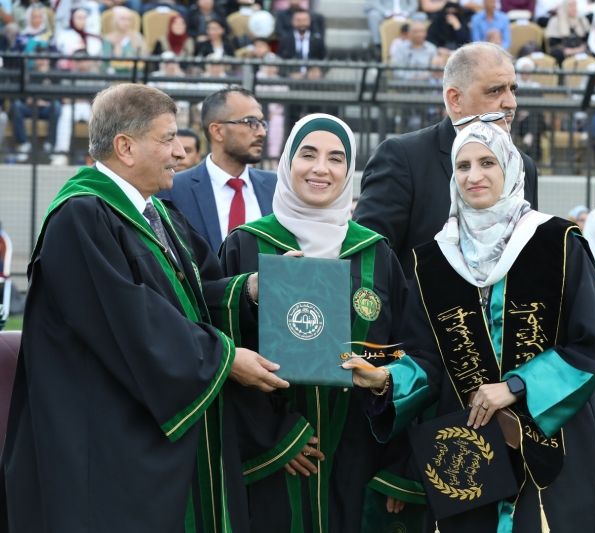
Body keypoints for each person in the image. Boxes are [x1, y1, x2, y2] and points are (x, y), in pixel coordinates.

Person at [0, 83, 290, 531]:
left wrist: (251, 289)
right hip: (108, 439)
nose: (181, 152)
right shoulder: (81, 217)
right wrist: (226, 358)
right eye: (168, 138)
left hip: (147, 425)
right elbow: (133, 322)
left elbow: (192, 300)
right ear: (125, 147)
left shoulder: (159, 215)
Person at [346, 121, 595, 532]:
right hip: (470, 456)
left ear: (510, 168)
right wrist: (387, 379)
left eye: (487, 162)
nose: (474, 176)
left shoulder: (557, 243)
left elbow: (592, 345)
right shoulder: (434, 261)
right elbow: (427, 357)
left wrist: (517, 386)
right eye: (463, 165)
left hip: (553, 445)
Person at [218, 113, 417, 533]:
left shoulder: (376, 253)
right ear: (287, 162)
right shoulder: (247, 244)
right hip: (272, 461)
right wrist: (275, 438)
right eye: (307, 154)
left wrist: (386, 380)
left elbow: (408, 348)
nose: (321, 168)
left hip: (359, 454)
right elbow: (219, 347)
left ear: (350, 170)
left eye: (336, 158)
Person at [354, 42, 539, 279]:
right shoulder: (403, 158)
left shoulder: (524, 165)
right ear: (455, 100)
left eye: (512, 89)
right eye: (495, 91)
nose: (511, 103)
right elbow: (368, 260)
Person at [158, 87, 277, 252]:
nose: (262, 132)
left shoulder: (276, 187)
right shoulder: (173, 190)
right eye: (251, 122)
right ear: (218, 131)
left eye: (262, 123)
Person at [11, 45, 61, 160]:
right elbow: (23, 95)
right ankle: (23, 144)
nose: (41, 61)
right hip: (29, 107)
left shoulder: (55, 74)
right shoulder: (28, 72)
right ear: (34, 60)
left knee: (56, 106)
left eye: (44, 58)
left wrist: (40, 99)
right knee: (16, 105)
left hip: (46, 108)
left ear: (49, 60)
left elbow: (58, 96)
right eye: (39, 58)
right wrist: (34, 100)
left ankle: (50, 144)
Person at [52, 49, 97, 166]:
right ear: (75, 62)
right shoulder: (69, 74)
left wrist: (78, 98)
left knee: (100, 117)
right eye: (79, 61)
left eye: (84, 60)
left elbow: (101, 99)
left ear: (89, 61)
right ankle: (62, 153)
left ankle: (100, 157)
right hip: (73, 106)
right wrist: (85, 97)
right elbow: (65, 99)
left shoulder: (96, 74)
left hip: (92, 107)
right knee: (66, 113)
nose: (82, 63)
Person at [276, 9, 326, 76]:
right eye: (298, 20)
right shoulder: (285, 40)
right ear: (292, 21)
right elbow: (280, 61)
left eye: (304, 20)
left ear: (309, 21)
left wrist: (317, 71)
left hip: (312, 78)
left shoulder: (317, 41)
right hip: (291, 78)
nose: (302, 23)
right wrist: (289, 74)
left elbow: (324, 60)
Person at [101, 6, 147, 73]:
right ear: (116, 20)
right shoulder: (108, 39)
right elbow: (105, 64)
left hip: (135, 74)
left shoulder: (137, 37)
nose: (126, 22)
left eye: (129, 19)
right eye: (123, 19)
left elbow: (143, 57)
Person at [545, 0, 590, 65]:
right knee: (557, 55)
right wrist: (566, 50)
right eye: (571, 6)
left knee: (591, 54)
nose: (574, 8)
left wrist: (579, 49)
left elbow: (587, 39)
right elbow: (553, 42)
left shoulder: (582, 20)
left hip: (579, 49)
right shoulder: (556, 20)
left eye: (575, 6)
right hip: (563, 50)